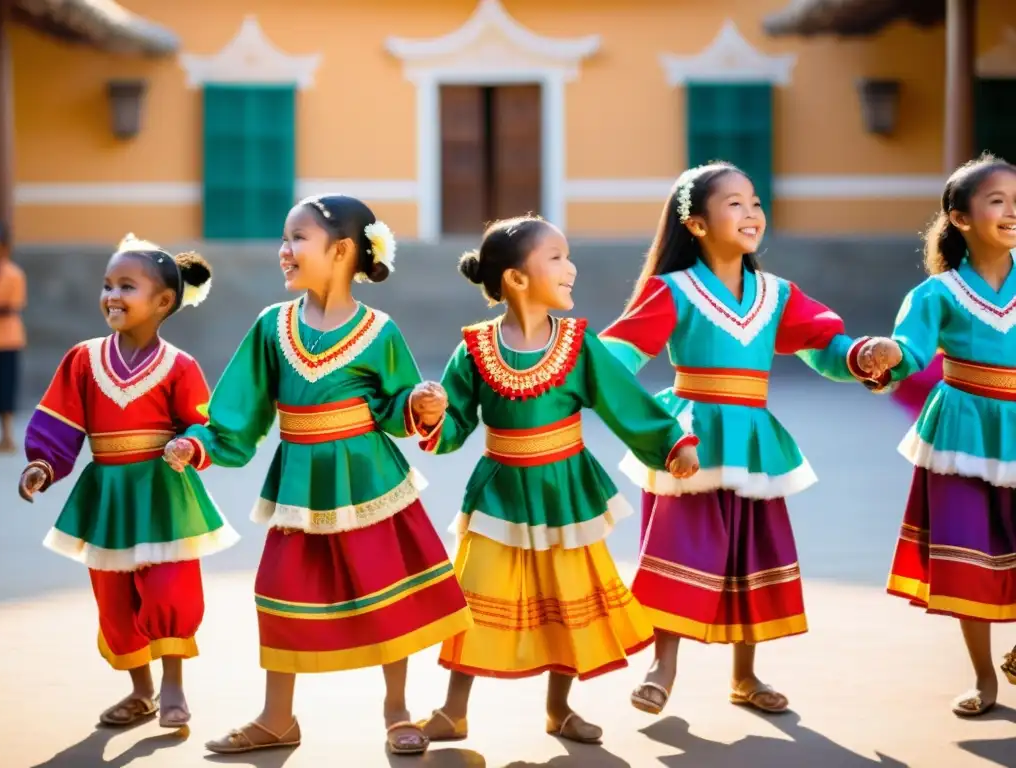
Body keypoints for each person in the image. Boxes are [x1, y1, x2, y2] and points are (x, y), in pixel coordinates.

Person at [163, 194, 472, 756]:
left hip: (370, 482)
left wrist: (420, 403)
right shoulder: (270, 327)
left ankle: (396, 710)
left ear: (344, 251)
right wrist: (197, 441)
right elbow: (236, 412)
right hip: (298, 486)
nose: (284, 250)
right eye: (284, 239)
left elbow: (394, 402)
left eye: (297, 239)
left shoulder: (380, 330)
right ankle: (277, 716)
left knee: (385, 592)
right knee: (279, 592)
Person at [599, 162, 900, 717]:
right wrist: (583, 382)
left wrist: (864, 355)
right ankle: (662, 667)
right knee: (677, 549)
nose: (751, 213)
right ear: (695, 224)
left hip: (754, 439)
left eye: (755, 202)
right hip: (691, 438)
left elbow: (827, 346)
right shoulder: (673, 290)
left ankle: (746, 675)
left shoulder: (777, 294)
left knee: (750, 554)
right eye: (734, 203)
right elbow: (617, 354)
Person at [412, 215, 700, 745]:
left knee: (570, 597)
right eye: (557, 258)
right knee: (476, 597)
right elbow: (454, 428)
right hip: (499, 492)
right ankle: (454, 710)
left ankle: (559, 708)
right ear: (517, 279)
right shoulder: (474, 349)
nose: (572, 268)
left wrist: (670, 443)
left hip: (566, 491)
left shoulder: (577, 344)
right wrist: (432, 414)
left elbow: (622, 401)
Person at [18, 234, 237, 728]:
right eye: (107, 285)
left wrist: (191, 445)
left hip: (163, 494)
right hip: (107, 496)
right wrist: (43, 464)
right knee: (114, 600)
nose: (112, 295)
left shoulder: (180, 366)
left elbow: (204, 425)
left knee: (168, 589)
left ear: (163, 302)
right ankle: (141, 692)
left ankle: (174, 684)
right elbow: (61, 421)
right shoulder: (82, 359)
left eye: (126, 286)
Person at [880, 153, 1016, 717]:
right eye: (998, 201)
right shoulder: (936, 294)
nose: (1012, 211)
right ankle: (985, 677)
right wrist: (886, 354)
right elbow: (909, 351)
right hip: (960, 434)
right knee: (968, 554)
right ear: (960, 218)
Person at [0, 223, 26, 452]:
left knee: (5, 389)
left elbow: (12, 306)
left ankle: (7, 437)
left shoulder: (14, 274)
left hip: (7, 340)